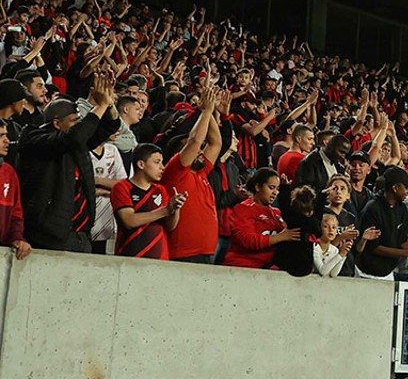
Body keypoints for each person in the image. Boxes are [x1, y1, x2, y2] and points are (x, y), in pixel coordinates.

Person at [18, 75, 120, 252]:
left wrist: (109, 104)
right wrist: (100, 106)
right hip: (50, 235)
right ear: (57, 123)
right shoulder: (35, 138)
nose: (80, 126)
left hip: (81, 233)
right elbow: (75, 136)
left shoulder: (75, 141)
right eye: (75, 121)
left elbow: (109, 127)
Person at [160, 88, 223, 264]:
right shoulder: (175, 171)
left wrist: (208, 110)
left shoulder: (201, 172)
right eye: (194, 151)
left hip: (206, 253)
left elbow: (216, 143)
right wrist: (206, 111)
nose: (200, 152)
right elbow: (194, 141)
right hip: (182, 255)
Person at [110, 143, 187, 260]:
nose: (162, 167)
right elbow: (129, 220)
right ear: (141, 164)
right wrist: (166, 210)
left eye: (162, 162)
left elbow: (170, 226)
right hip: (130, 257)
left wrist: (175, 209)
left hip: (159, 258)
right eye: (157, 162)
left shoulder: (160, 190)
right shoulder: (122, 187)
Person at [222, 168, 299, 269]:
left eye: (277, 189)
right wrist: (280, 237)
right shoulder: (244, 208)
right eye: (271, 187)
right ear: (258, 187)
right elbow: (247, 240)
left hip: (269, 269)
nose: (275, 192)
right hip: (243, 267)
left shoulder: (276, 213)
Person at [0, 122, 30, 260]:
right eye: (1, 136)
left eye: (5, 135)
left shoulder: (9, 172)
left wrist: (17, 238)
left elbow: (16, 215)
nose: (7, 140)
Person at [312, 211, 345, 277]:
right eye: (326, 226)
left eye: (334, 227)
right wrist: (340, 255)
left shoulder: (334, 250)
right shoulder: (313, 247)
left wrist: (343, 255)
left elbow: (333, 274)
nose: (330, 230)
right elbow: (323, 271)